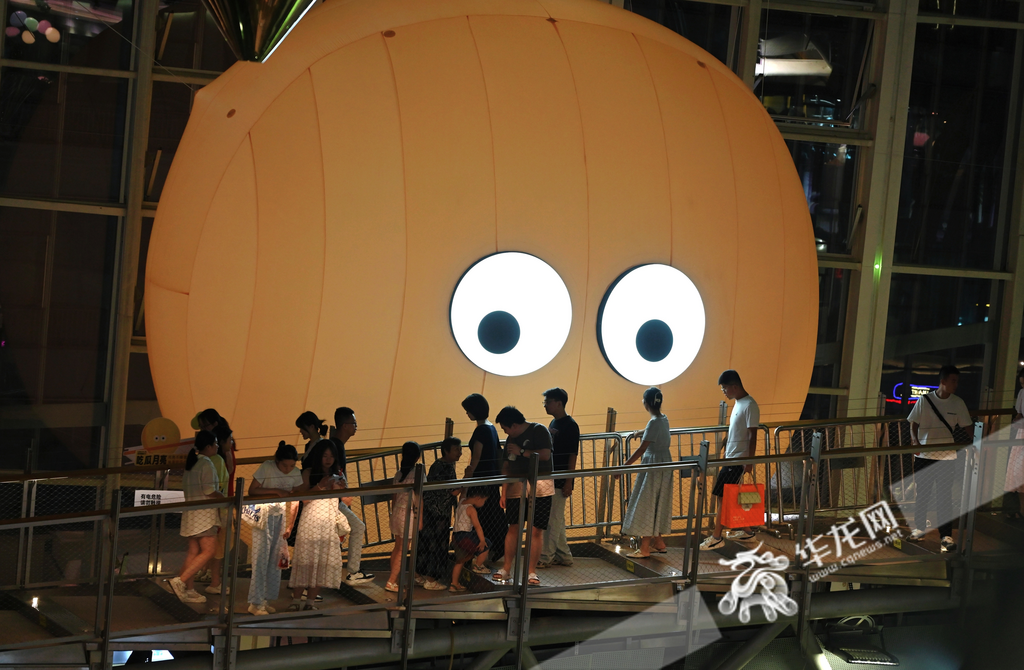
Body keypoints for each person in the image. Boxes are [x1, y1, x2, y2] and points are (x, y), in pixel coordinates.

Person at [908, 365, 974, 552]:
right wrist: (915, 441)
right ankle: (920, 529)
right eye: (953, 381)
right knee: (923, 494)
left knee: (944, 497)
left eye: (957, 381)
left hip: (947, 456)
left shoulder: (958, 403)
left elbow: (967, 426)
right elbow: (913, 421)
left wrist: (978, 443)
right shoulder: (925, 400)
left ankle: (945, 536)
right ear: (943, 381)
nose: (956, 385)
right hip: (925, 454)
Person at [493, 406, 552, 587]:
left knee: (536, 529)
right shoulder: (511, 439)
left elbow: (545, 455)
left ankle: (531, 572)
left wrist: (521, 452)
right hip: (516, 486)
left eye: (505, 428)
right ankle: (506, 568)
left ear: (514, 424)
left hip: (540, 484)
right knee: (513, 527)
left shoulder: (539, 430)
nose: (505, 432)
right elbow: (506, 465)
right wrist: (504, 491)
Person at [701, 370, 760, 550]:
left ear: (734, 386)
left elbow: (752, 435)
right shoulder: (738, 403)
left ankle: (717, 536)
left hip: (738, 460)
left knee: (723, 496)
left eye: (725, 388)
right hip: (731, 458)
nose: (724, 391)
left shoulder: (750, 405)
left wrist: (748, 461)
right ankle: (747, 531)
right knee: (729, 497)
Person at [287, 440, 346, 610]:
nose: (328, 460)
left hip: (329, 520)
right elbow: (303, 497)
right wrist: (320, 486)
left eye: (332, 456)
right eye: (325, 456)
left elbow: (348, 500)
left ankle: (310, 602)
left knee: (322, 561)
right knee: (305, 560)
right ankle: (296, 600)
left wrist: (341, 488)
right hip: (311, 519)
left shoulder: (338, 474)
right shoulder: (309, 472)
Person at [246, 441, 302, 615]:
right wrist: (276, 491)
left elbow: (299, 492)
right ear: (277, 461)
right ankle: (256, 602)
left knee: (274, 558)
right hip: (263, 513)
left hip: (279, 514)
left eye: (291, 466)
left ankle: (265, 599)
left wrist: (291, 521)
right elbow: (252, 491)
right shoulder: (267, 467)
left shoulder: (295, 473)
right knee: (260, 558)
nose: (287, 469)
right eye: (284, 465)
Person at [617, 388, 673, 557]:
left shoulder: (653, 422)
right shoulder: (663, 419)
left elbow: (642, 449)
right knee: (657, 501)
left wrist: (624, 466)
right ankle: (659, 542)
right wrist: (641, 432)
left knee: (647, 503)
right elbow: (653, 431)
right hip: (664, 462)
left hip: (652, 464)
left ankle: (644, 548)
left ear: (646, 403)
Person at [169, 431, 224, 603]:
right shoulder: (206, 463)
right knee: (209, 551)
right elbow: (208, 490)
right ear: (208, 446)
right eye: (215, 443)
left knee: (193, 551)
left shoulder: (192, 463)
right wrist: (223, 497)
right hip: (204, 515)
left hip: (191, 513)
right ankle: (180, 581)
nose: (217, 446)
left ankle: (189, 589)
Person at [328, 407, 374, 585]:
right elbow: (337, 473)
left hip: (334, 499)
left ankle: (336, 575)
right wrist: (342, 494)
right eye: (354, 423)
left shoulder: (335, 444)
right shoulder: (337, 446)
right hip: (335, 500)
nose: (356, 427)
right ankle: (352, 571)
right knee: (358, 527)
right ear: (345, 425)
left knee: (339, 535)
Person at [461, 393, 506, 561]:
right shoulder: (491, 427)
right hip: (492, 478)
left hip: (480, 479)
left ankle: (483, 551)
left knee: (481, 517)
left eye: (468, 410)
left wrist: (468, 476)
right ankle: (496, 549)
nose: (467, 414)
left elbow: (476, 457)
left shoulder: (481, 430)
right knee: (493, 515)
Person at [538, 388, 579, 569]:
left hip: (561, 478)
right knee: (557, 518)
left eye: (548, 401)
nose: (545, 405)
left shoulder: (571, 426)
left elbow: (572, 455)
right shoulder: (553, 422)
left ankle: (546, 556)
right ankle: (564, 555)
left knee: (552, 519)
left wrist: (568, 481)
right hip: (551, 476)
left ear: (559, 403)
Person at [419, 437, 462, 591]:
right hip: (440, 514)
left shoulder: (437, 464)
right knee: (437, 545)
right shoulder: (447, 468)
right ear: (447, 451)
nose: (460, 453)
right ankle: (431, 579)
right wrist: (467, 482)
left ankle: (421, 575)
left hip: (429, 511)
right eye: (457, 449)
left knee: (426, 544)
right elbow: (453, 491)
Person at [386, 442, 424, 593]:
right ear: (417, 457)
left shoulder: (398, 474)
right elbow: (419, 498)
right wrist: (420, 518)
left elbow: (394, 497)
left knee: (397, 547)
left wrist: (392, 513)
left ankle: (394, 579)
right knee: (403, 549)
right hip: (408, 513)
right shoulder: (418, 474)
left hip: (397, 512)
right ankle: (391, 581)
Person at [449, 487, 491, 592]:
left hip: (456, 535)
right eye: (484, 500)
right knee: (486, 545)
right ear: (478, 498)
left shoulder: (462, 501)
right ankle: (478, 566)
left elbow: (463, 493)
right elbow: (477, 526)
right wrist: (482, 541)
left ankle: (454, 584)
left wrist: (466, 482)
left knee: (460, 560)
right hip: (465, 536)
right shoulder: (471, 509)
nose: (484, 503)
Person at [1002, 369, 1024, 520]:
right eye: (1022, 384)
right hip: (1021, 434)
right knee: (1018, 472)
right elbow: (1019, 413)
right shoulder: (1022, 393)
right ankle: (1021, 509)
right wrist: (1017, 420)